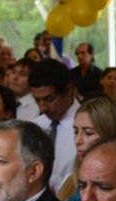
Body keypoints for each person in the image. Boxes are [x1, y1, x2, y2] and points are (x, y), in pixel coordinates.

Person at [56, 96, 116, 201]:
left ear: (111, 134)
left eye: (89, 133)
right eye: (76, 131)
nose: (78, 140)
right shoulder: (70, 179)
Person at [29, 59, 80, 191]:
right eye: (37, 100)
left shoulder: (89, 128)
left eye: (49, 99)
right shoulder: (35, 126)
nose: (43, 107)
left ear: (69, 90)